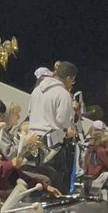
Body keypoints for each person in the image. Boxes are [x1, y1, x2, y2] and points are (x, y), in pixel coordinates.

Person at [29, 61, 78, 190]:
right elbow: (63, 121)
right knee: (55, 179)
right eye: (72, 81)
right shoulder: (62, 93)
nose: (71, 84)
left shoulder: (36, 90)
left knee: (37, 179)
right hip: (52, 143)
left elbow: (30, 112)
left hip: (32, 140)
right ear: (68, 78)